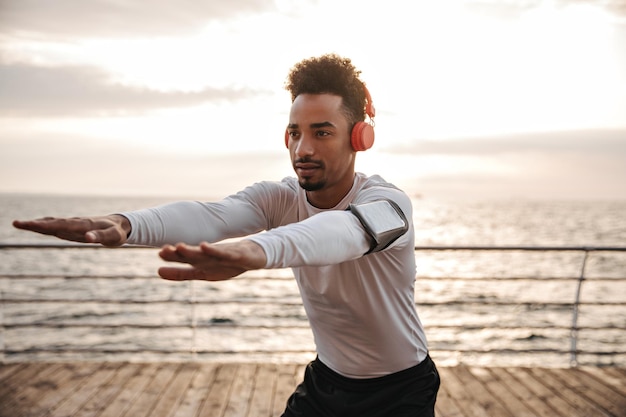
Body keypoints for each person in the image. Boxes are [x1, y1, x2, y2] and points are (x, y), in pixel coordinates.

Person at [13, 53, 440, 417]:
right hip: (327, 380)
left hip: (401, 389)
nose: (302, 149)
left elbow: (341, 231)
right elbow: (213, 215)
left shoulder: (387, 204)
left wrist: (256, 250)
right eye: (295, 132)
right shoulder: (278, 198)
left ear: (359, 137)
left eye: (321, 132)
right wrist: (126, 224)